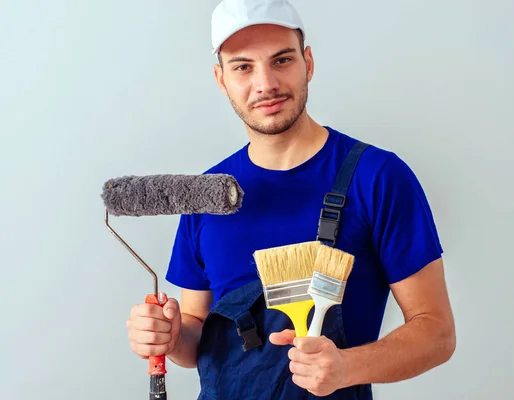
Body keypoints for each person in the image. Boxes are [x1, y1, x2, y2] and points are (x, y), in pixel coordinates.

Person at [125, 0, 456, 398]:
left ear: (308, 63)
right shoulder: (208, 195)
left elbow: (436, 332)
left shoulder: (377, 178)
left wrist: (346, 367)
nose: (265, 84)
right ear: (221, 78)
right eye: (243, 67)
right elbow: (196, 336)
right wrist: (170, 336)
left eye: (281, 60)